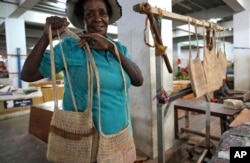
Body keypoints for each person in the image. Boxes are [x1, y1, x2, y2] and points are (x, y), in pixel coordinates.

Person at [21, 0, 143, 138]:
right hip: (86, 140)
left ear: (108, 18)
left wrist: (111, 48)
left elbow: (138, 80)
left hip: (122, 134)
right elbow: (28, 75)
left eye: (102, 13)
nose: (98, 19)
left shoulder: (119, 48)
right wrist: (46, 37)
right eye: (90, 14)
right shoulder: (70, 48)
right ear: (81, 19)